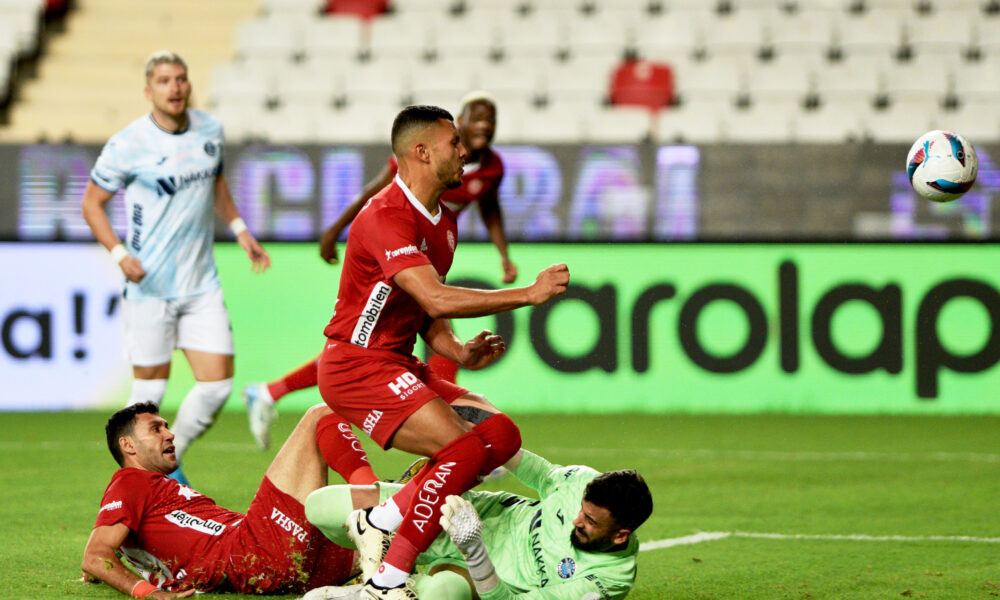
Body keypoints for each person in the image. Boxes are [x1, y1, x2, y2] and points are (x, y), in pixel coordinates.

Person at [313, 104, 570, 599]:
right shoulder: (385, 216)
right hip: (355, 367)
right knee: (463, 449)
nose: (464, 150)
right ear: (422, 152)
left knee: (501, 434)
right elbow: (435, 297)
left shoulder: (444, 223)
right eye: (454, 143)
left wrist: (457, 351)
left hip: (398, 362)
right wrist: (528, 294)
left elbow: (424, 312)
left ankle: (380, 520)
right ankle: (387, 581)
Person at [242, 92, 513, 450]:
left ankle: (450, 437)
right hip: (394, 242)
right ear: (459, 123)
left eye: (490, 119)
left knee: (390, 332)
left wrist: (504, 255)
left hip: (430, 243)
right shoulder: (411, 175)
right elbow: (378, 189)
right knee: (367, 337)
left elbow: (490, 208)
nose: (483, 126)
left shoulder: (490, 170)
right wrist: (335, 229)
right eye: (475, 118)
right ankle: (449, 440)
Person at [80, 50, 270, 484]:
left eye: (181, 78)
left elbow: (216, 183)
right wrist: (119, 254)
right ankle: (138, 484)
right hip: (149, 287)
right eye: (164, 80)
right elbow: (91, 203)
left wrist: (240, 229)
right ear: (149, 91)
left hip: (201, 284)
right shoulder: (128, 143)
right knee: (148, 394)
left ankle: (171, 459)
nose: (175, 87)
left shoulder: (209, 130)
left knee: (217, 385)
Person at [81, 402, 359, 597]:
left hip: (287, 566)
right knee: (319, 415)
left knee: (379, 543)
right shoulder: (129, 480)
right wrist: (148, 592)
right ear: (128, 445)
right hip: (254, 552)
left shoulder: (152, 495)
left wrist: (103, 569)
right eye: (156, 429)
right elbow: (95, 556)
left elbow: (114, 550)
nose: (170, 433)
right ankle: (368, 490)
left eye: (166, 427)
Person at [303, 448, 654, 600]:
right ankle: (371, 567)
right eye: (581, 510)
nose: (576, 520)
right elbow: (540, 473)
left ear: (621, 535)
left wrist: (474, 551)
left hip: (478, 577)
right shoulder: (582, 482)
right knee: (321, 508)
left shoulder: (605, 582)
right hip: (463, 512)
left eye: (590, 521)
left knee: (441, 594)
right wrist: (489, 441)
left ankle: (376, 586)